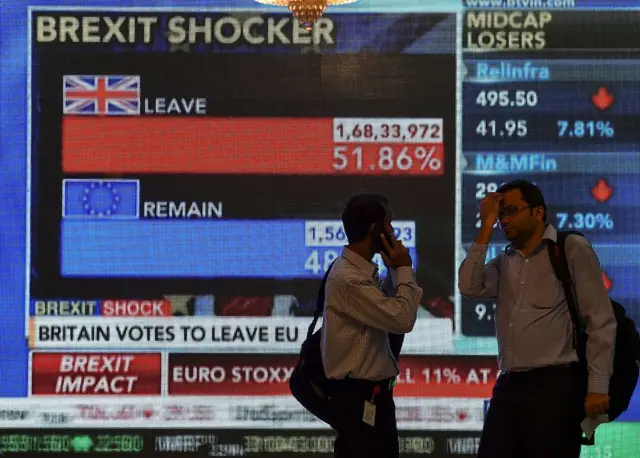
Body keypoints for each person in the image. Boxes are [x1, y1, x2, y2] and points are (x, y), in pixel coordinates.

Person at [458, 179, 616, 458]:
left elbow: (600, 320)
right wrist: (485, 226)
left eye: (511, 211)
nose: (504, 221)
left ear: (538, 212)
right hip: (509, 386)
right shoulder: (505, 261)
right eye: (500, 215)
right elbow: (468, 287)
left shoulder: (570, 248)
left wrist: (597, 387)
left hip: (555, 388)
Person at [321, 194, 423, 458]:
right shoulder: (349, 278)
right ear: (373, 229)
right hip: (359, 401)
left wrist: (392, 269)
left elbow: (388, 316)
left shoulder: (362, 271)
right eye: (389, 224)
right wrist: (403, 269)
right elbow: (402, 319)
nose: (393, 232)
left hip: (373, 398)